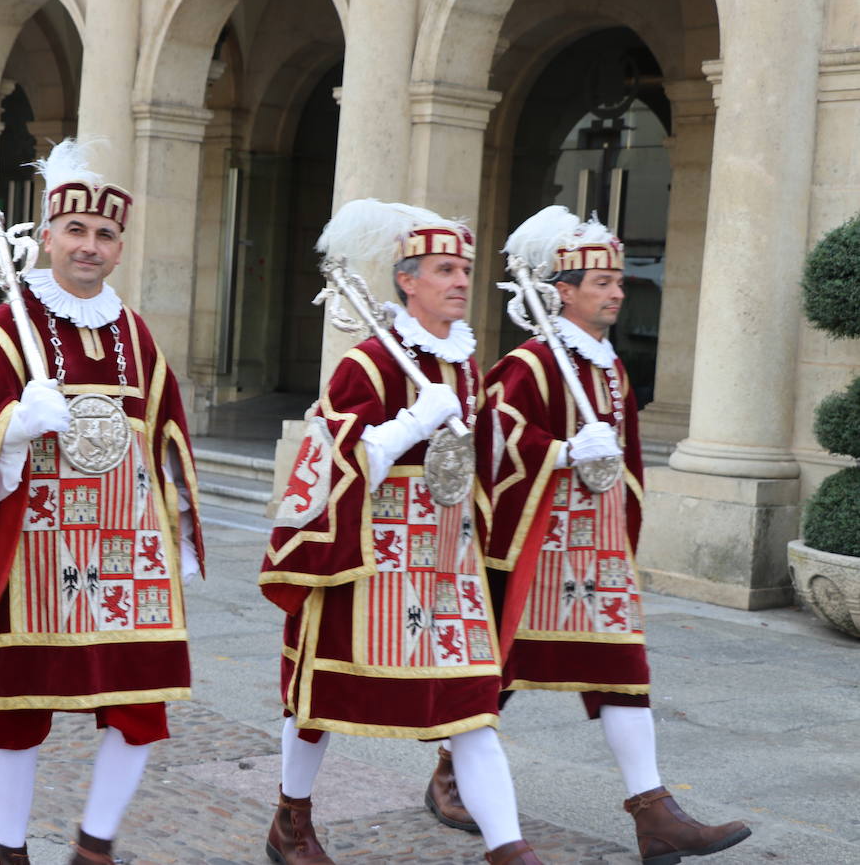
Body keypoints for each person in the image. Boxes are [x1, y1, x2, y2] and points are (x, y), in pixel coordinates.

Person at [0, 139, 204, 865]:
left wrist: (183, 538)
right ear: (46, 236)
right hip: (32, 555)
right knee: (21, 710)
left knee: (140, 707)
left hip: (126, 554)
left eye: (105, 235)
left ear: (119, 248)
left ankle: (94, 843)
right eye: (75, 230)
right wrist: (13, 429)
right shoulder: (2, 332)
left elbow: (166, 433)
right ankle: (11, 849)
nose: (90, 246)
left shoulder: (135, 334)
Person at [459, 205, 750, 864]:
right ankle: (455, 773)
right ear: (563, 291)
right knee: (496, 673)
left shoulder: (613, 370)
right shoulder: (530, 365)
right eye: (603, 284)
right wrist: (560, 452)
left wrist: (624, 521)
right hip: (536, 547)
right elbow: (493, 438)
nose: (618, 293)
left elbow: (630, 460)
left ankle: (655, 814)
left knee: (623, 670)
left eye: (620, 283)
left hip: (599, 551)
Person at [258, 199, 542, 865]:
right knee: (321, 697)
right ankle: (291, 821)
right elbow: (327, 457)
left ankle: (509, 850)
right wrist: (412, 424)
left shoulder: (465, 362)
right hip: (369, 557)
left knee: (474, 701)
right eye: (445, 269)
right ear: (407, 280)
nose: (460, 281)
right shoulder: (369, 364)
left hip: (447, 560)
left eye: (466, 269)